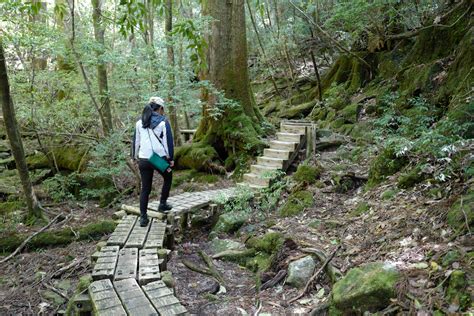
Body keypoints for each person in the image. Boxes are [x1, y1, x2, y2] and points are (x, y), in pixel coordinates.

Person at [132, 97, 174, 227]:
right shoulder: (163, 122)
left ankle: (143, 218)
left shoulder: (140, 122)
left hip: (143, 159)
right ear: (160, 108)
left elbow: (136, 142)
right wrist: (170, 158)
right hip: (157, 159)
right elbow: (168, 143)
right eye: (163, 109)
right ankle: (162, 204)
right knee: (168, 176)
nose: (163, 112)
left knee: (146, 188)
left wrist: (134, 157)